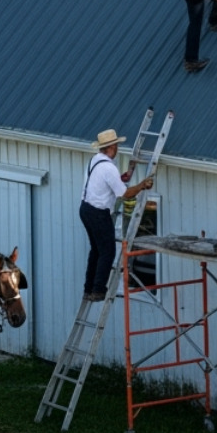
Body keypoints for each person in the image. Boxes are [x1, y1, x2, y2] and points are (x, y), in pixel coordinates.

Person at [81, 128, 155, 303]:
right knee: (107, 251)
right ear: (112, 147)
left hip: (85, 209)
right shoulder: (108, 167)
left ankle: (88, 288)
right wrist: (142, 185)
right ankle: (98, 289)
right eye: (117, 146)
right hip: (99, 213)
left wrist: (123, 178)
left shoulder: (95, 161)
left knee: (96, 250)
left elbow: (108, 184)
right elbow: (125, 194)